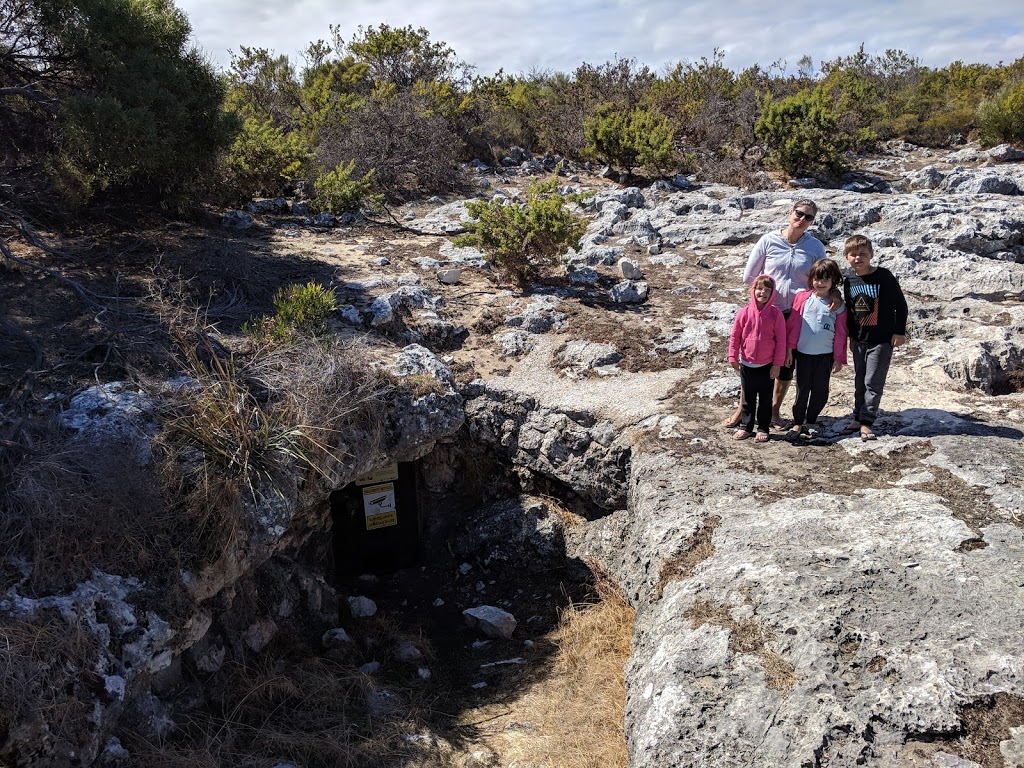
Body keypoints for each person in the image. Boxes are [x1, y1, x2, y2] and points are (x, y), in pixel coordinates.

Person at [723, 199, 828, 430]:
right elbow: (749, 276)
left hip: (799, 315)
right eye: (799, 214)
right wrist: (764, 299)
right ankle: (743, 410)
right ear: (790, 213)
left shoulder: (815, 247)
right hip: (769, 312)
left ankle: (773, 411)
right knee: (754, 362)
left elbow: (823, 276)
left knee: (785, 364)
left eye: (809, 217)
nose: (802, 219)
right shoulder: (769, 241)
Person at [841, 234, 908, 442]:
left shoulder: (884, 277)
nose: (858, 258)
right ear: (847, 257)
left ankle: (866, 422)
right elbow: (851, 311)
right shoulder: (849, 280)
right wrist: (851, 336)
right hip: (860, 340)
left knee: (873, 381)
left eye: (862, 254)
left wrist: (899, 331)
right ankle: (857, 416)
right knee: (859, 380)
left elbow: (901, 305)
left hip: (881, 339)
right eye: (853, 255)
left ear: (871, 255)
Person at [783, 258, 848, 442]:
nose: (820, 283)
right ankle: (797, 422)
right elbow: (793, 325)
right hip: (803, 354)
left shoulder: (839, 306)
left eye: (826, 279)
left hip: (825, 356)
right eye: (817, 279)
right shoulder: (802, 298)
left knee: (820, 391)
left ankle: (811, 421)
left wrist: (839, 358)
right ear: (811, 279)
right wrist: (789, 350)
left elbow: (842, 334)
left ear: (833, 281)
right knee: (802, 389)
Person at [728, 275, 787, 443]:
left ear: (773, 293)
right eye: (760, 289)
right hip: (747, 364)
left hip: (767, 366)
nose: (763, 293)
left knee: (765, 400)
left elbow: (781, 341)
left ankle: (763, 427)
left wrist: (777, 365)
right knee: (748, 399)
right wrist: (733, 356)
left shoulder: (776, 314)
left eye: (768, 290)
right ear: (753, 291)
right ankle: (746, 427)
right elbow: (735, 337)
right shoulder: (744, 313)